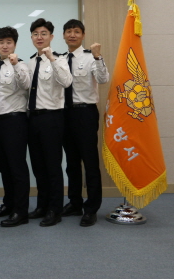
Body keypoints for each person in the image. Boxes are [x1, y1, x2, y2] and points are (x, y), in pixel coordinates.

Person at [61, 19, 109, 227]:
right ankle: (75, 203)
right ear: (63, 35)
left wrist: (98, 57)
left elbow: (103, 79)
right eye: (69, 31)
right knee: (71, 163)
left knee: (89, 162)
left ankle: (91, 208)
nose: (72, 35)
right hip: (65, 114)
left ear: (83, 35)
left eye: (76, 31)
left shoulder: (91, 57)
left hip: (85, 113)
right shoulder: (60, 59)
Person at [26, 18, 72, 227]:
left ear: (51, 37)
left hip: (52, 118)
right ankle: (42, 206)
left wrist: (51, 58)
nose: (39, 37)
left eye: (43, 34)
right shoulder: (30, 62)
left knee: (53, 166)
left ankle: (55, 209)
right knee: (38, 166)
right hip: (33, 118)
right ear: (31, 37)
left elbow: (66, 82)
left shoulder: (59, 59)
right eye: (36, 34)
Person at [0, 26, 31, 227]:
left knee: (17, 167)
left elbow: (26, 85)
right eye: (1, 42)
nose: (5, 46)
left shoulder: (21, 65)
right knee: (4, 167)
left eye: (9, 42)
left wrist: (15, 65)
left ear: (15, 44)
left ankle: (21, 212)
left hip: (15, 121)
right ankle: (9, 204)